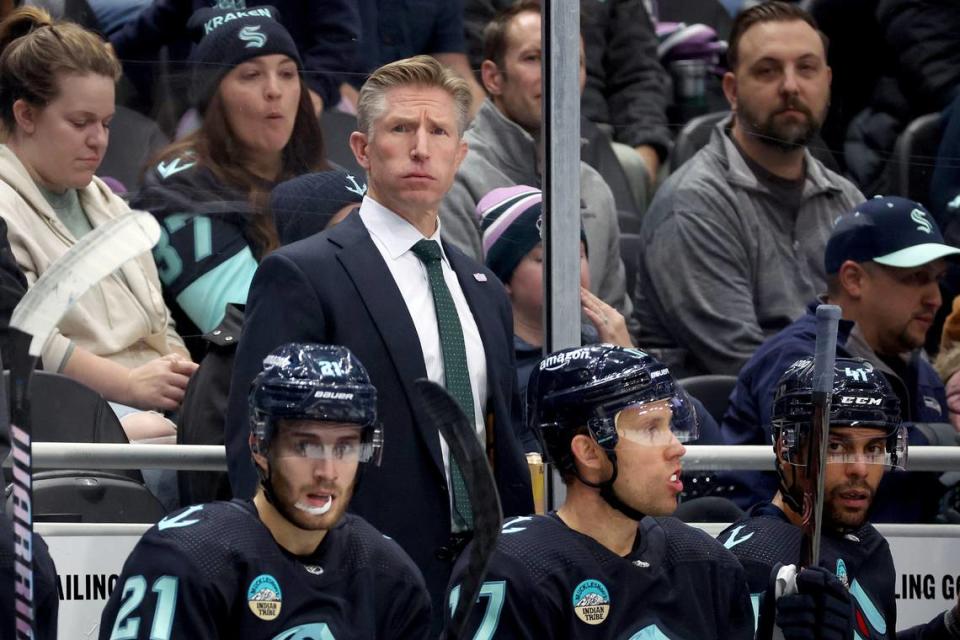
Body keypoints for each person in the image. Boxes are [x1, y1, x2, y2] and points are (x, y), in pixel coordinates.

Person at [225, 56, 535, 626]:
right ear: (364, 149)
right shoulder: (303, 272)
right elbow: (255, 439)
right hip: (350, 581)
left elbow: (501, 442)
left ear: (460, 154)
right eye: (401, 129)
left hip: (484, 581)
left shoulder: (484, 288)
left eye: (439, 131)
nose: (421, 147)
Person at [99, 343, 432, 639]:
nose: (327, 472)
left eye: (344, 449)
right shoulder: (185, 558)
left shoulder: (389, 573)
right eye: (305, 446)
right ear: (259, 446)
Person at [446, 345, 754, 638]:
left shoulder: (707, 562)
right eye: (651, 429)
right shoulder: (512, 569)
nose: (676, 447)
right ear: (589, 452)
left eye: (671, 426)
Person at [633, 1, 863, 378]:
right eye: (768, 71)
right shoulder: (693, 204)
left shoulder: (846, 201)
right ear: (732, 89)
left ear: (827, 81)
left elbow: (883, 337)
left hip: (844, 418)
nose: (791, 86)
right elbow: (748, 367)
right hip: (741, 429)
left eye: (806, 68)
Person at [0, 7, 197, 441]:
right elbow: (29, 339)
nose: (99, 140)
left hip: (148, 395)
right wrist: (130, 386)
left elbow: (158, 319)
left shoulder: (106, 199)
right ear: (25, 115)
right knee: (157, 435)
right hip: (69, 405)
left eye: (106, 123)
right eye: (80, 122)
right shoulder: (4, 208)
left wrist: (180, 376)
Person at [722, 196, 959, 522]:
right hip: (783, 560)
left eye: (938, 279)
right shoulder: (798, 361)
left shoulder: (922, 372)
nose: (935, 298)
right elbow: (828, 454)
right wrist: (940, 438)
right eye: (916, 278)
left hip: (896, 562)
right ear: (854, 279)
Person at [719, 357, 960, 640]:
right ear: (787, 448)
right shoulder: (753, 561)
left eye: (874, 447)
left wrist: (953, 625)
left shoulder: (869, 543)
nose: (859, 469)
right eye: (835, 446)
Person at [132, 6, 327, 343]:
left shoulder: (325, 178)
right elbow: (253, 327)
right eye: (251, 75)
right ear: (214, 96)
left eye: (287, 73)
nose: (274, 90)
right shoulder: (177, 187)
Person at [441, 1, 634, 327]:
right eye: (534, 59)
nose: (557, 73)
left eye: (573, 61)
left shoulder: (594, 188)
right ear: (492, 78)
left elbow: (617, 322)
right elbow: (460, 327)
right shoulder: (454, 178)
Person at [109, 0, 359, 115]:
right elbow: (165, 16)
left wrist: (314, 90)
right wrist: (113, 49)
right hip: (211, 105)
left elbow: (340, 36)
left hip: (293, 99)